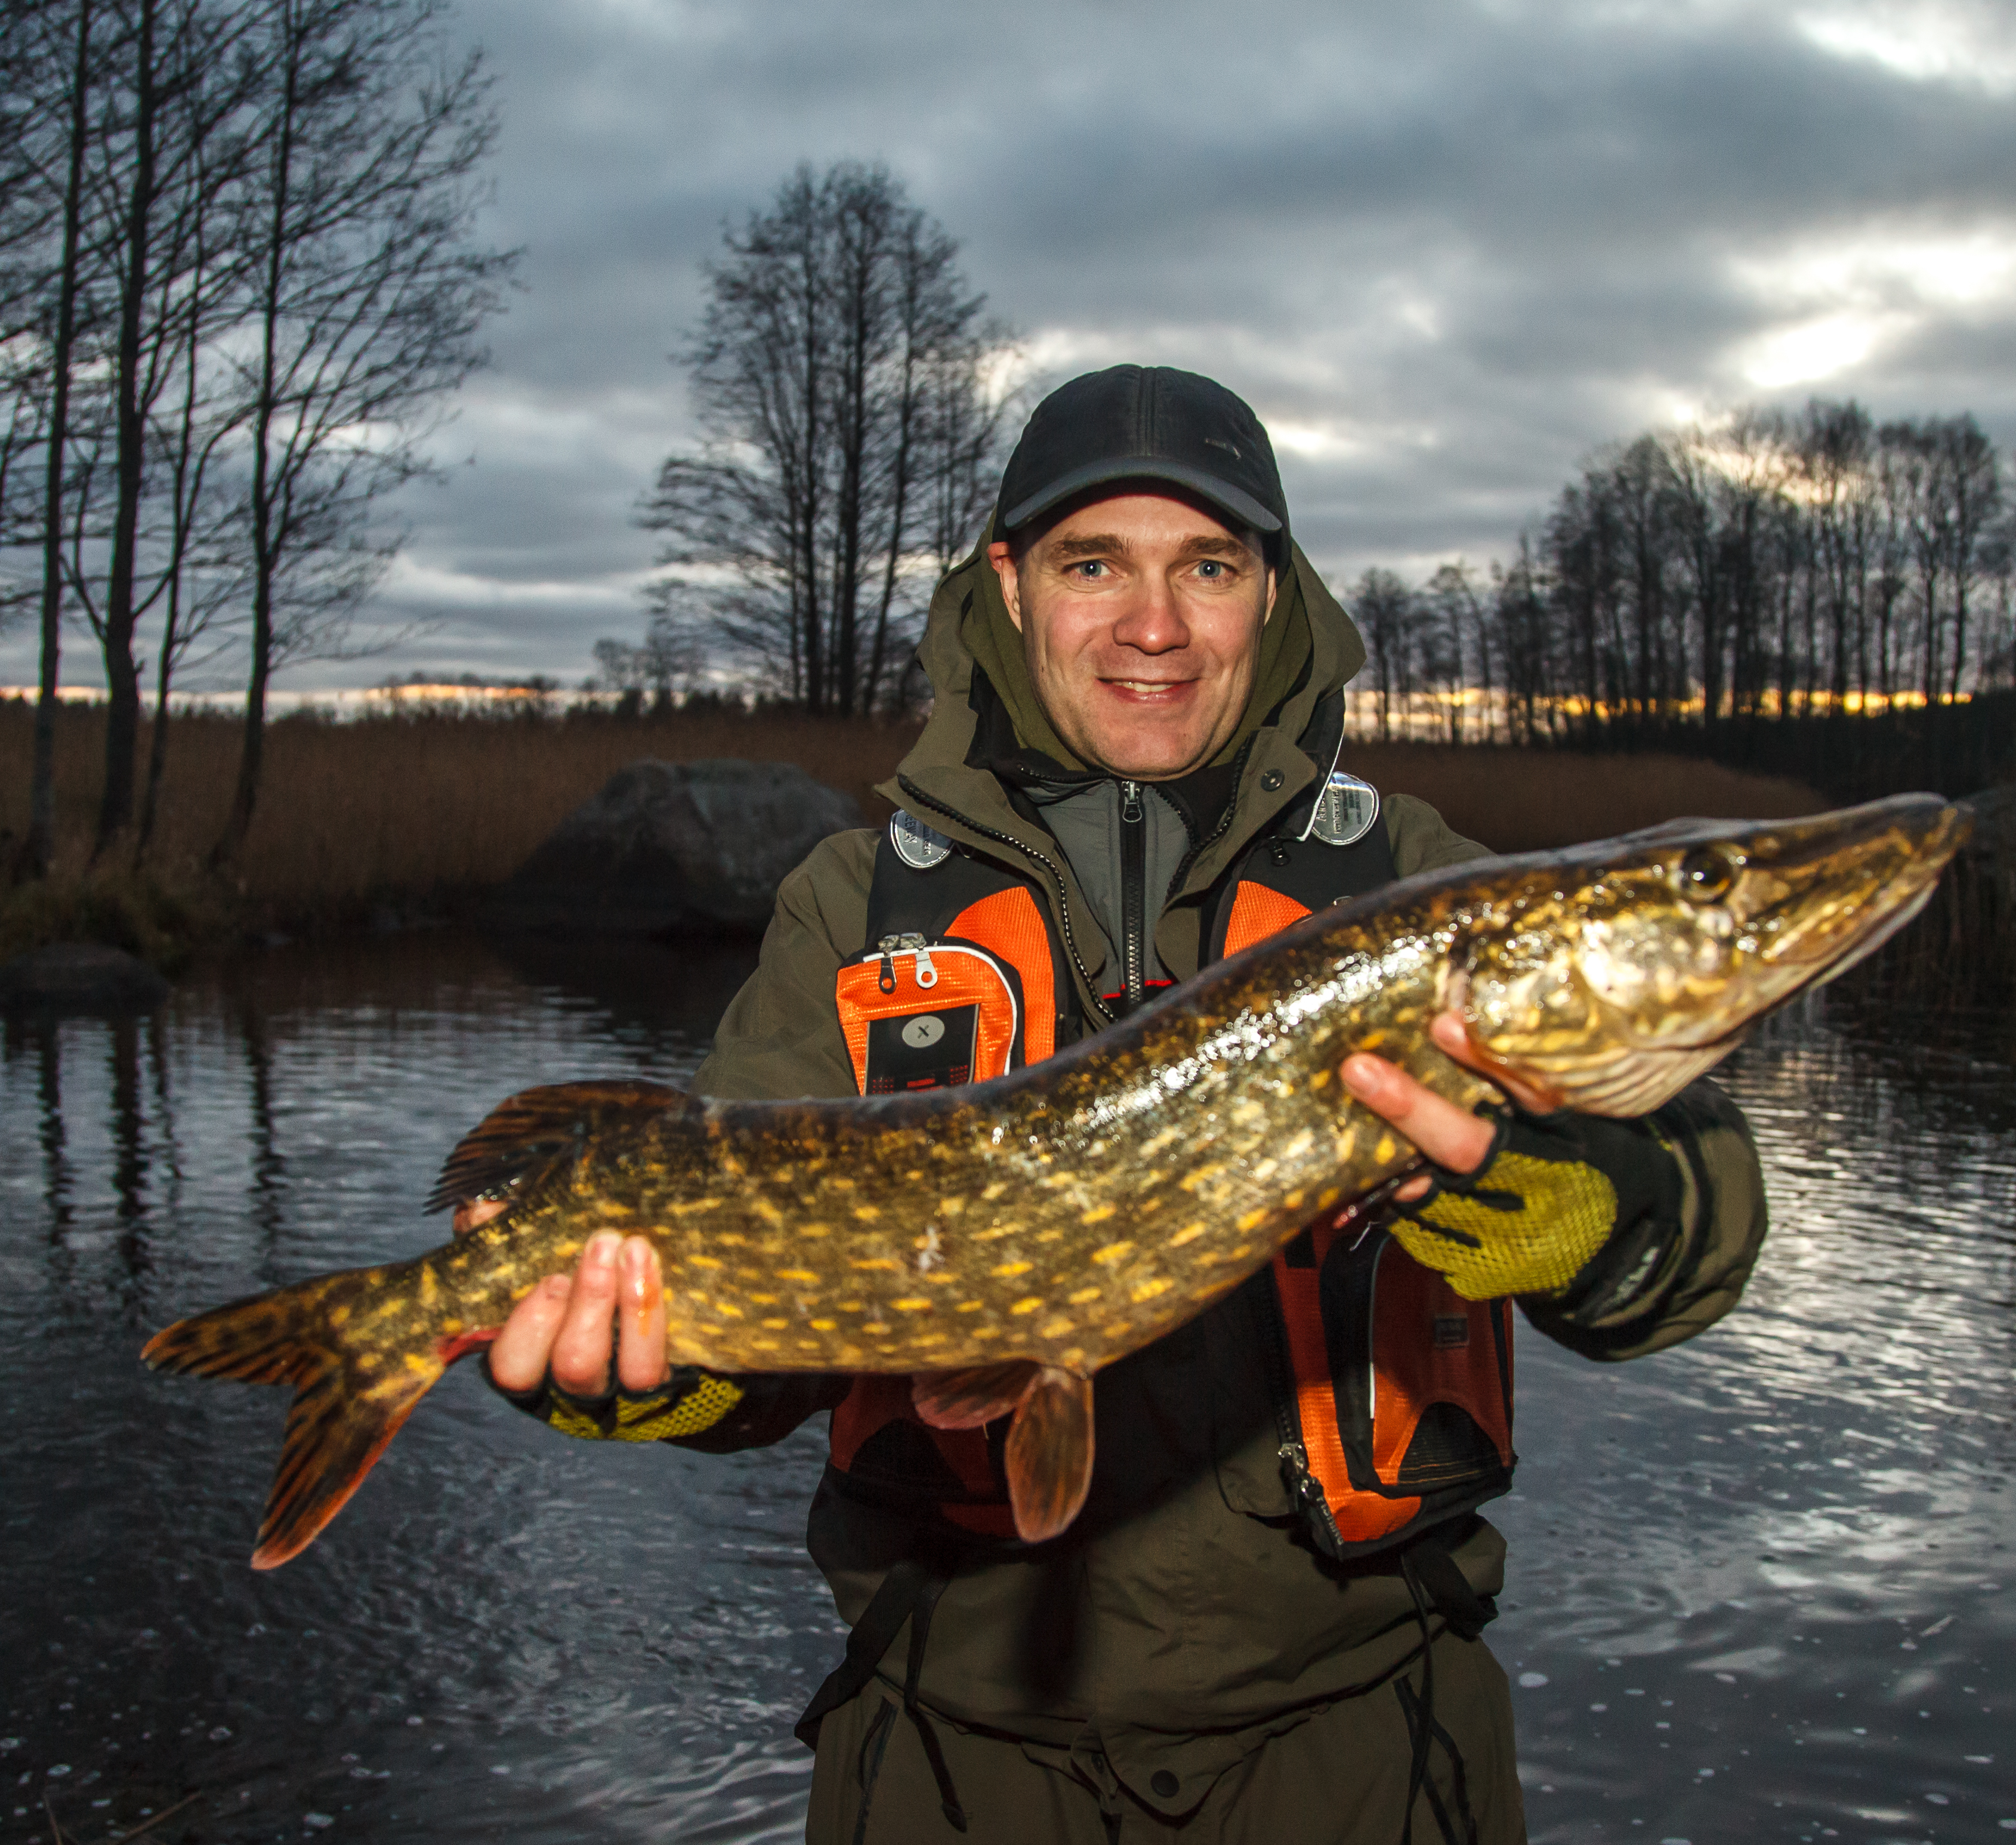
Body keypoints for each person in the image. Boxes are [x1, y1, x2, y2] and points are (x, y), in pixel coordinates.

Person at [480, 366, 1770, 1843]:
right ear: (1014, 587)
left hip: (1366, 1750)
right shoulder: (852, 907)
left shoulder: (1414, 893)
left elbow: (1703, 1218)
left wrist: (1578, 1194)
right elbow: (759, 1335)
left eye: (1206, 568)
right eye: (1097, 565)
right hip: (950, 1765)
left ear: (1269, 598)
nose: (1152, 624)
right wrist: (642, 1366)